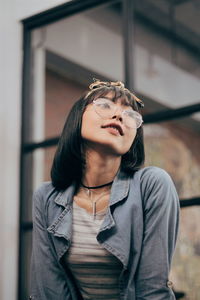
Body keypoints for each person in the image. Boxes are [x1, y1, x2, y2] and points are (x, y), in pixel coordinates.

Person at [30, 79, 180, 300]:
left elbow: (152, 290)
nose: (119, 115)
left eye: (131, 115)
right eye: (105, 105)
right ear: (77, 118)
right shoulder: (46, 197)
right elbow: (48, 291)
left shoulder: (153, 184)